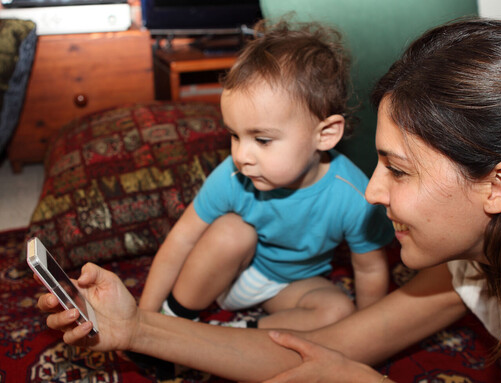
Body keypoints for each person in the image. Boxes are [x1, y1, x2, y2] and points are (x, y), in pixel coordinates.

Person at [38, 18, 501, 383]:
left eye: (396, 169)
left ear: (500, 186)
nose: (370, 190)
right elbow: (320, 352)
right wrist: (137, 328)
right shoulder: (480, 252)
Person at [138, 19, 394, 334]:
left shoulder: (354, 195)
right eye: (234, 135)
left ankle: (241, 334)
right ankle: (175, 318)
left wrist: (366, 337)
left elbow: (370, 271)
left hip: (289, 288)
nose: (241, 155)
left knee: (338, 311)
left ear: (325, 135)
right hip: (230, 273)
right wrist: (143, 318)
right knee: (234, 232)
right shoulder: (232, 176)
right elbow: (181, 239)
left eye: (261, 140)